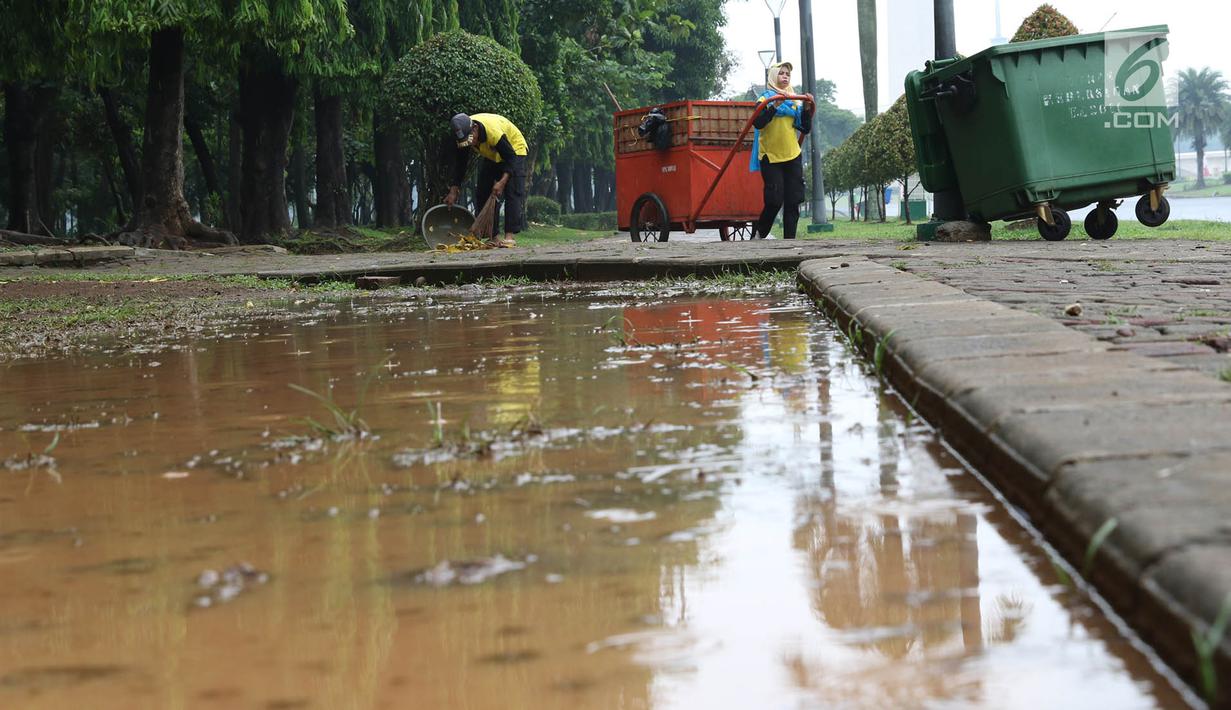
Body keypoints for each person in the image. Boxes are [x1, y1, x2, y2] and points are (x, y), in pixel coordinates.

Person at [749, 61, 813, 239]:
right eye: (782, 73)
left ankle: (789, 242)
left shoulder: (794, 100)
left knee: (794, 200)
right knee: (774, 200)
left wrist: (807, 108)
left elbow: (805, 128)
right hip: (770, 156)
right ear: (773, 75)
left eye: (788, 74)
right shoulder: (764, 99)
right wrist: (775, 106)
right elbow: (758, 123)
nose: (785, 76)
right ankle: (760, 234)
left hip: (792, 155)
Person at [444, 113, 528, 247]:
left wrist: (502, 182)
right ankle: (493, 236)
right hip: (493, 154)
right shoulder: (463, 135)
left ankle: (509, 236)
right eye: (464, 141)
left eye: (470, 139)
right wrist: (454, 189)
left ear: (475, 128)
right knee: (483, 190)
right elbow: (461, 164)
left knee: (513, 191)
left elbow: (510, 157)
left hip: (514, 151)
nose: (468, 143)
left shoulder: (493, 132)